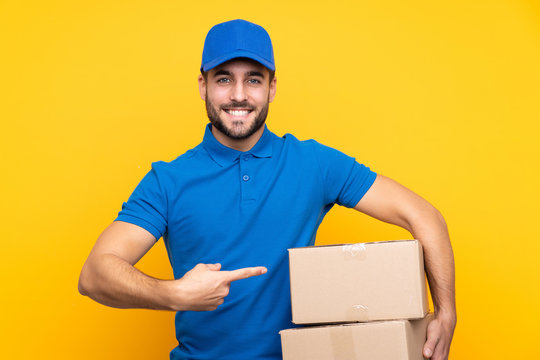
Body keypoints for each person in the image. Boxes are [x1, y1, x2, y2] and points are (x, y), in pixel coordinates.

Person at [78, 19, 456, 360]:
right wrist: (173, 294)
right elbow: (95, 274)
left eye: (253, 79)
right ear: (203, 85)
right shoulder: (168, 180)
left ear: (272, 88)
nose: (238, 95)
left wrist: (446, 313)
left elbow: (423, 216)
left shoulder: (314, 164)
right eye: (224, 78)